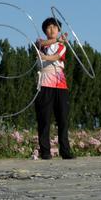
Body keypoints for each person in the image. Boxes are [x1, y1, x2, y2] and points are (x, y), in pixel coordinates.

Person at [34, 16, 75, 160]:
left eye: (55, 27)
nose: (52, 30)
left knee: (63, 119)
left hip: (60, 84)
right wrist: (58, 40)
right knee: (44, 119)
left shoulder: (62, 46)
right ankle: (45, 152)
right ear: (45, 30)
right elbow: (40, 45)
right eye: (49, 27)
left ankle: (65, 151)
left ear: (58, 30)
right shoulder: (40, 43)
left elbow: (57, 57)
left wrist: (44, 57)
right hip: (45, 83)